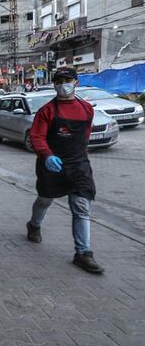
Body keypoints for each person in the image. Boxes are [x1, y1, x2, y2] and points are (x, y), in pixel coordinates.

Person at [26, 67, 103, 274]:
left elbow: (84, 136)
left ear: (76, 83)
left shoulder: (87, 109)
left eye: (67, 80)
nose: (63, 84)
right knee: (44, 200)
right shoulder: (47, 111)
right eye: (59, 81)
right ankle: (34, 225)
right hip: (51, 164)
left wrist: (80, 156)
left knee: (81, 207)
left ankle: (83, 253)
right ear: (54, 85)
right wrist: (47, 155)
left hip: (78, 165)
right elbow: (37, 137)